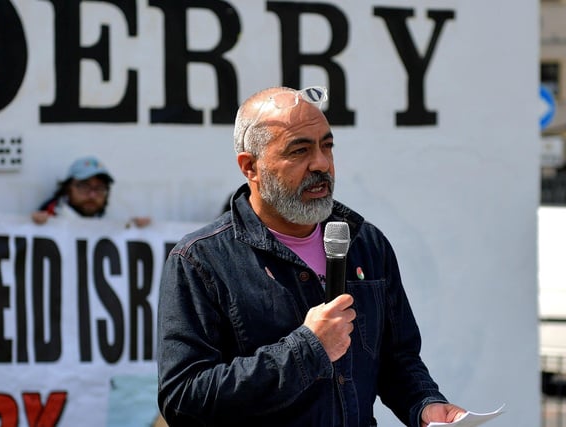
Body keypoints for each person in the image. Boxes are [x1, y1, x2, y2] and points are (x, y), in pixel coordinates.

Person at [157, 86, 466, 426]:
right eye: (299, 150)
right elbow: (183, 398)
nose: (321, 163)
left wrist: (425, 405)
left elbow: (398, 360)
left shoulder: (366, 243)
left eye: (326, 146)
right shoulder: (201, 261)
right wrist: (307, 349)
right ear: (251, 167)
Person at [31, 156, 151, 227]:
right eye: (84, 186)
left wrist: (136, 233)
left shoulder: (110, 225)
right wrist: (33, 225)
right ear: (68, 189)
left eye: (100, 188)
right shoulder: (47, 219)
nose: (92, 194)